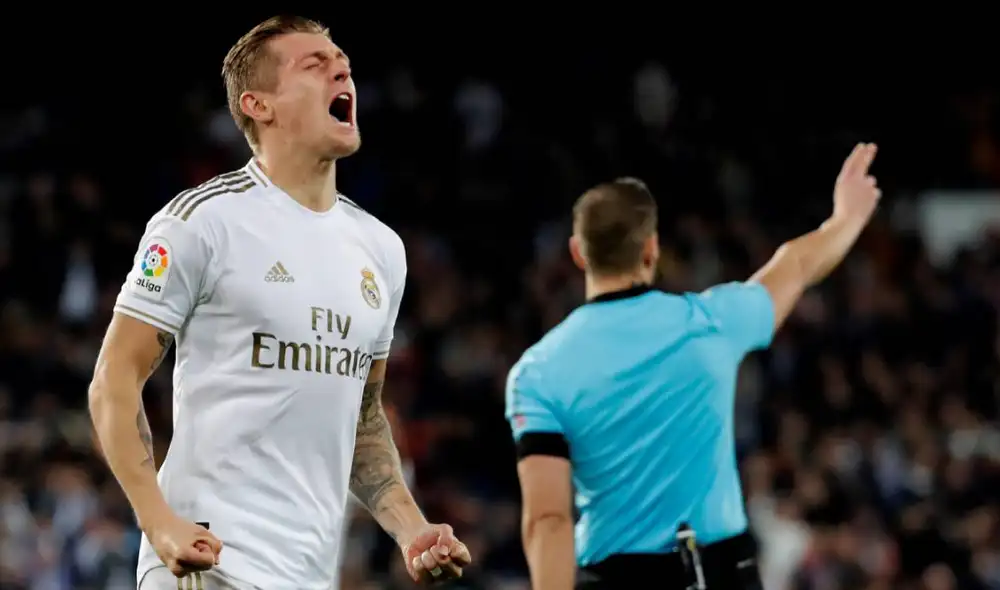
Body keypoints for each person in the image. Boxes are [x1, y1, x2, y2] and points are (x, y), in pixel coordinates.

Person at [88, 16, 471, 590]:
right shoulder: (202, 221)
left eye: (341, 60)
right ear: (258, 105)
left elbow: (363, 418)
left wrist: (410, 528)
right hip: (208, 563)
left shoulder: (382, 250)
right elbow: (113, 381)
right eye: (313, 64)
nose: (341, 68)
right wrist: (159, 521)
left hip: (310, 574)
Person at [505, 144, 882, 589]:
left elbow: (548, 520)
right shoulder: (710, 323)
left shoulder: (537, 371)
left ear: (578, 253)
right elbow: (796, 265)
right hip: (720, 570)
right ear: (651, 248)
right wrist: (847, 217)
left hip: (615, 577)